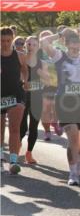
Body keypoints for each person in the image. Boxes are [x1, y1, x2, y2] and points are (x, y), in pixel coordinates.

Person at [40, 25, 80, 185]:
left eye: (78, 43)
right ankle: (73, 173)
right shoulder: (59, 56)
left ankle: (79, 158)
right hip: (65, 101)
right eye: (72, 43)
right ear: (66, 44)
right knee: (73, 138)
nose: (75, 46)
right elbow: (44, 41)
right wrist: (60, 33)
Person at [0, 27, 27, 175]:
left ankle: (14, 161)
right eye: (2, 41)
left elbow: (25, 70)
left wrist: (25, 81)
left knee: (15, 128)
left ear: (12, 39)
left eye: (8, 41)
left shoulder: (20, 55)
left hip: (15, 94)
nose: (5, 44)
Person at [20, 36, 48, 165]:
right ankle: (17, 145)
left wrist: (43, 75)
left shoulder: (43, 63)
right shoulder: (21, 60)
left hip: (37, 97)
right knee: (22, 126)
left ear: (38, 47)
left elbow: (48, 81)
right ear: (25, 45)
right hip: (23, 96)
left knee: (33, 126)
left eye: (34, 45)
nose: (31, 47)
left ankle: (29, 153)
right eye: (29, 44)